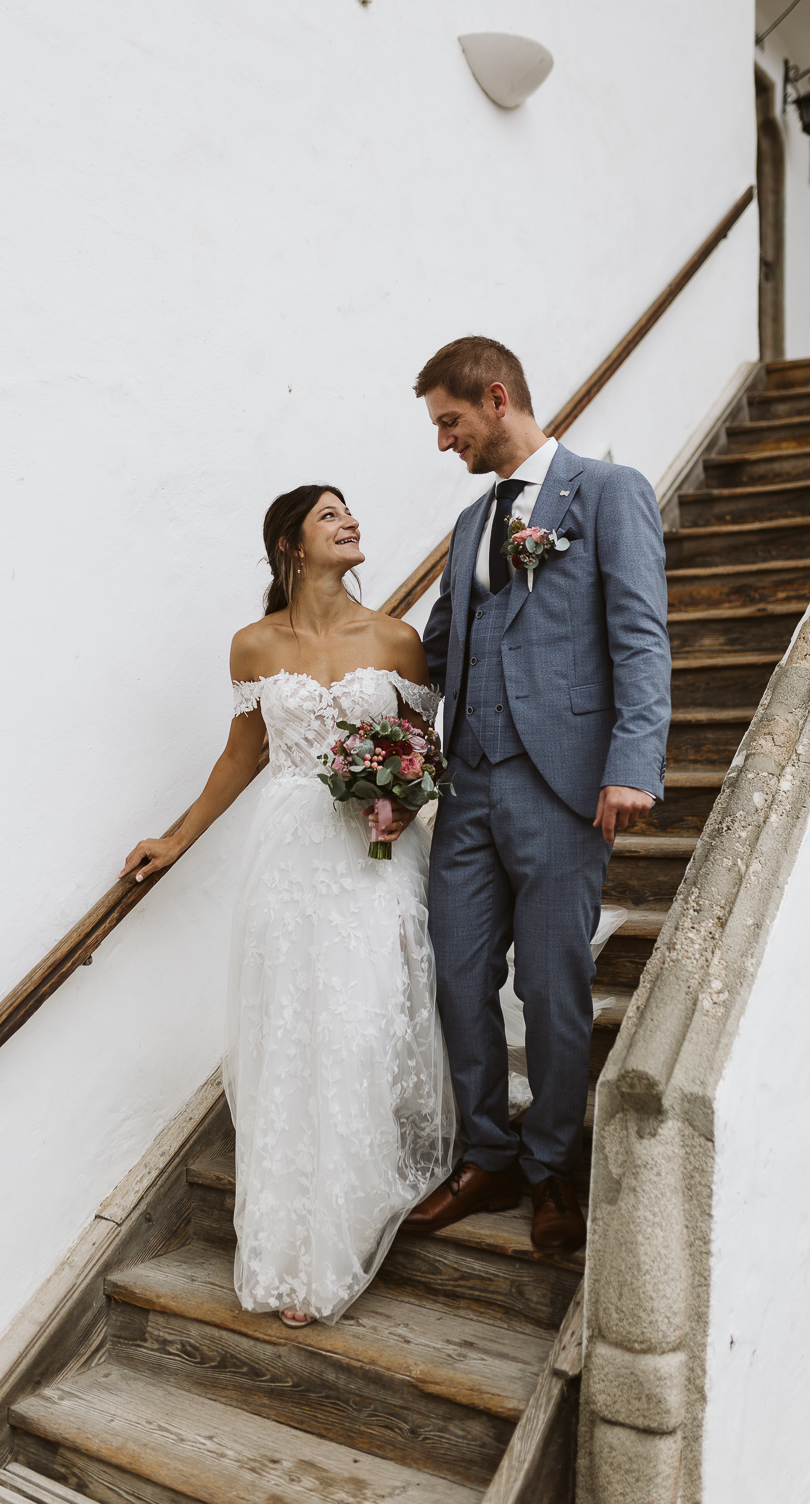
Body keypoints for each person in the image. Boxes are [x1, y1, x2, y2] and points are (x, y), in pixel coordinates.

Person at [121, 484, 456, 1327]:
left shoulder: (398, 640)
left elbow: (424, 754)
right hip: (291, 849)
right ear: (289, 546)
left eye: (351, 512)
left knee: (362, 1019)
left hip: (375, 853)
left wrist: (403, 798)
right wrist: (176, 837)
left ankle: (353, 1213)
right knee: (295, 1028)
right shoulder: (252, 646)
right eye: (329, 515)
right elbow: (243, 755)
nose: (351, 522)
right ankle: (291, 1241)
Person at [403, 336, 671, 1253]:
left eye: (449, 422)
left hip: (562, 787)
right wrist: (343, 677)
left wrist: (632, 762)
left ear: (495, 396)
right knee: (455, 970)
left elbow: (639, 635)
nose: (444, 442)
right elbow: (438, 651)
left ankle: (553, 1164)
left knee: (551, 988)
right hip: (466, 786)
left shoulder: (606, 491)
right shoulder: (473, 526)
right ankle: (487, 1153)